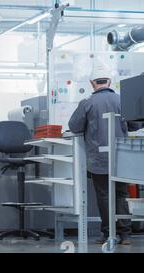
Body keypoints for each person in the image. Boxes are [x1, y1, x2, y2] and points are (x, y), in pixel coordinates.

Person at [69, 61, 131, 245]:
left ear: (92, 83)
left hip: (99, 159)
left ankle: (108, 234)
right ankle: (126, 234)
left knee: (104, 195)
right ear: (109, 82)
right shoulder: (122, 100)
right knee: (121, 194)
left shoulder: (87, 102)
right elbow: (135, 123)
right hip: (122, 158)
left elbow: (74, 126)